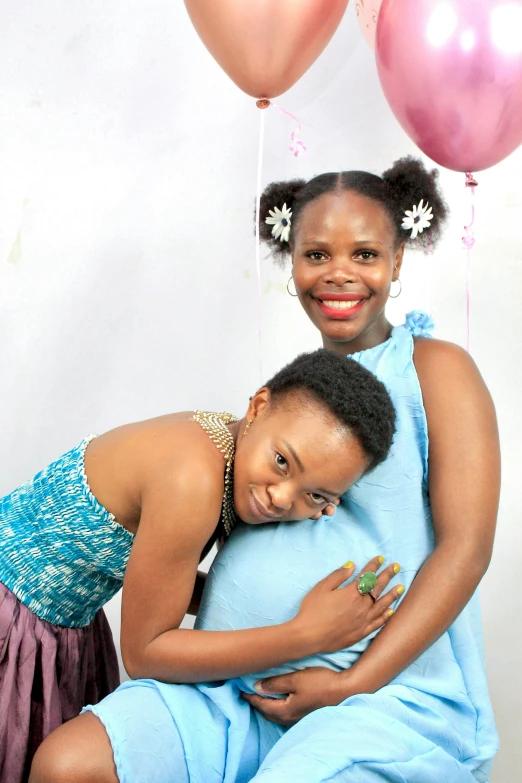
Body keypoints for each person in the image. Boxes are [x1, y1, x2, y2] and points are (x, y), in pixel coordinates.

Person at [30, 157, 500, 783]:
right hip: (227, 686)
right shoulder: (296, 393)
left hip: (374, 693)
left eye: (364, 254)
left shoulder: (436, 369)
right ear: (292, 262)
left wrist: (353, 681)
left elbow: (466, 549)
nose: (339, 273)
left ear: (398, 262)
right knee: (67, 764)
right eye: (317, 254)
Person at [0, 348, 400, 783]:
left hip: (62, 627)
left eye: (317, 495)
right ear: (258, 407)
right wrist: (305, 634)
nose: (283, 498)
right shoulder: (192, 477)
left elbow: (161, 570)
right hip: (12, 620)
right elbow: (144, 654)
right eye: (283, 462)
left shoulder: (229, 444)